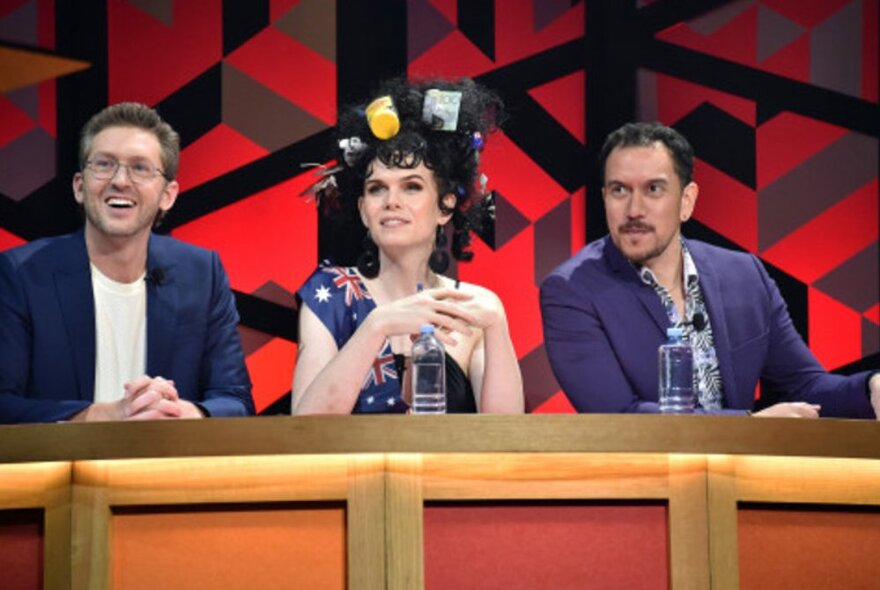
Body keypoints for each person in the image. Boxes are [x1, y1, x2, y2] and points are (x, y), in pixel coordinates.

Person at [540, 121, 879, 418]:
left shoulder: (745, 276)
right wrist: (750, 427)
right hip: (646, 483)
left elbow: (803, 384)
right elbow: (618, 416)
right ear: (604, 198)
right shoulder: (572, 290)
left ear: (687, 201)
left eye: (653, 189)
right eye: (619, 190)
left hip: (741, 484)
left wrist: (869, 389)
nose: (634, 209)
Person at [0, 102, 254, 424]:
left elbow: (236, 400)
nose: (120, 180)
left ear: (168, 195)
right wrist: (108, 416)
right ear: (79, 186)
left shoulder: (202, 274)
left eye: (140, 168)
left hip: (167, 470)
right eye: (104, 164)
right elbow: (4, 405)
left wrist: (180, 413)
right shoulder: (21, 274)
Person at [292, 78, 523, 414]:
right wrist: (378, 325)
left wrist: (497, 325)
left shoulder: (473, 308)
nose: (391, 202)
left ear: (445, 206)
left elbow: (507, 441)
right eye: (376, 189)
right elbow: (305, 429)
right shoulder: (330, 295)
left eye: (411, 187)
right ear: (363, 211)